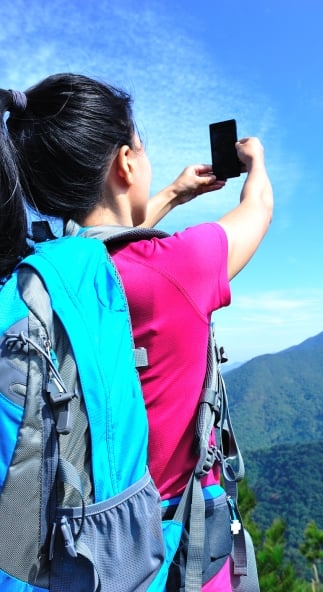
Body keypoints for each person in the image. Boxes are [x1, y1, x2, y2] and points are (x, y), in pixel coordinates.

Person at [0, 73, 273, 591]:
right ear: (126, 162)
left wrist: (172, 192)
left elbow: (104, 245)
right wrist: (256, 160)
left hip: (84, 557)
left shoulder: (38, 276)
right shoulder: (178, 267)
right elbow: (256, 210)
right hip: (181, 557)